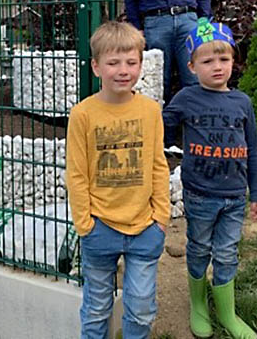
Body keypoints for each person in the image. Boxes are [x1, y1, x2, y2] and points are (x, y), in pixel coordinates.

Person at [66, 21, 170, 339]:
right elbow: (77, 174)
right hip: (100, 229)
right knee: (96, 307)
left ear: (140, 63)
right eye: (113, 63)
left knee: (140, 307)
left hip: (145, 229)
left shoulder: (150, 111)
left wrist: (161, 218)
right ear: (96, 66)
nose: (123, 70)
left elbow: (157, 165)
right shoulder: (82, 115)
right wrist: (85, 224)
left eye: (131, 62)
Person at [163, 18, 257, 339]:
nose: (217, 67)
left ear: (234, 61)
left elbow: (253, 150)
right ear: (192, 66)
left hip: (235, 196)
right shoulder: (185, 98)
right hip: (199, 195)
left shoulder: (242, 102)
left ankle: (228, 313)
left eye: (224, 59)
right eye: (207, 61)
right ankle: (198, 305)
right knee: (198, 248)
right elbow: (160, 128)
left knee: (226, 253)